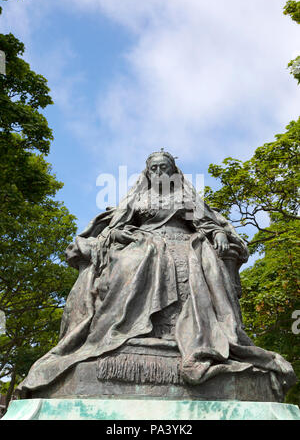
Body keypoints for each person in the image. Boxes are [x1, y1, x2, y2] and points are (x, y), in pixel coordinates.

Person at [17, 150, 297, 398]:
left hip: (185, 242)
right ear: (147, 173)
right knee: (130, 262)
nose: (160, 172)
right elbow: (114, 228)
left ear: (174, 172)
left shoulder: (185, 198)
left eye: (165, 167)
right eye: (155, 168)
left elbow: (208, 225)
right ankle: (123, 331)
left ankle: (195, 334)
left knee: (197, 262)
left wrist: (220, 234)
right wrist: (118, 233)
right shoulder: (138, 198)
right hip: (142, 241)